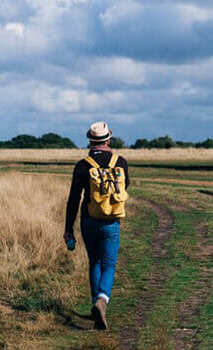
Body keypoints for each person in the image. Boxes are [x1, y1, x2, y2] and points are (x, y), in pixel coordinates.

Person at [64, 121, 130, 330]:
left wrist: (68, 229)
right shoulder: (121, 163)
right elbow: (124, 187)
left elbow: (73, 199)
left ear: (90, 141)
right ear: (108, 139)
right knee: (109, 264)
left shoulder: (83, 165)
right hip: (112, 221)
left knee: (94, 262)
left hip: (89, 220)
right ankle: (102, 300)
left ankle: (96, 303)